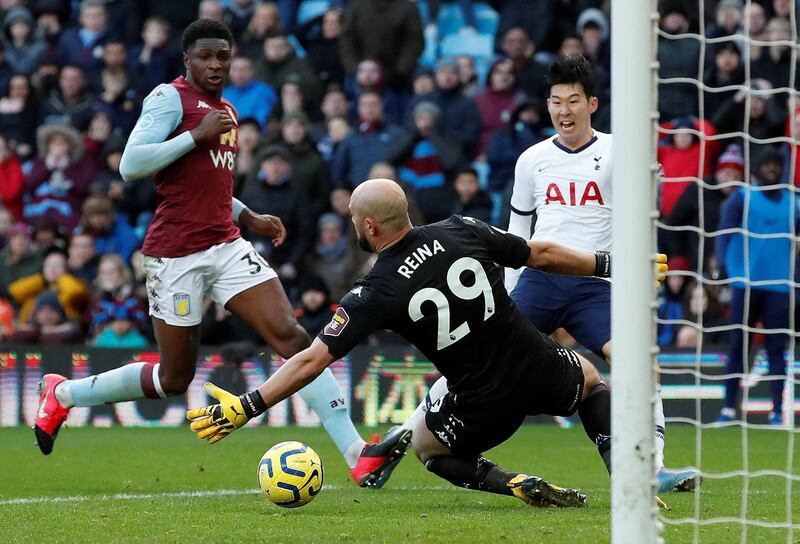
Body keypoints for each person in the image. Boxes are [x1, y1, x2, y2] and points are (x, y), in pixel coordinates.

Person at [32, 20, 409, 490]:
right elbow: (130, 165)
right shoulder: (169, 99)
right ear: (187, 60)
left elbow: (206, 185)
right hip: (175, 256)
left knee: (294, 337)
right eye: (206, 56)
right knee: (174, 377)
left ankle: (358, 455)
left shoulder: (225, 110)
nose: (215, 64)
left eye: (223, 56)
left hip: (226, 245)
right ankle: (62, 393)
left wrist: (249, 216)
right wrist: (196, 134)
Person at [187, 178, 640, 507]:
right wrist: (608, 263)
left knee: (426, 447)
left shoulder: (373, 292)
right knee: (592, 380)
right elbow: (540, 254)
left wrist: (248, 405)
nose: (353, 228)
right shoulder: (463, 228)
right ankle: (627, 486)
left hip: (483, 404)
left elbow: (312, 359)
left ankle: (513, 483)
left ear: (371, 226)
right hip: (536, 363)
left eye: (354, 222)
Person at [503, 56, 699, 495]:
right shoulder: (531, 160)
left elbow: (641, 214)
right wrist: (508, 294)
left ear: (592, 103)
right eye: (556, 101)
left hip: (597, 283)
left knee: (639, 359)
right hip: (541, 276)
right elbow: (518, 231)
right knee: (484, 353)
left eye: (573, 100)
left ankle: (653, 469)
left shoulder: (618, 151)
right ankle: (411, 430)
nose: (564, 110)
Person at [716, 147, 796, 425]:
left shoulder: (793, 202)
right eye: (767, 164)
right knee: (738, 345)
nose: (772, 168)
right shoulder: (742, 197)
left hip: (779, 288)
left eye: (776, 164)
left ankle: (777, 412)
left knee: (776, 348)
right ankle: (728, 410)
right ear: (757, 168)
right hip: (745, 283)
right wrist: (722, 267)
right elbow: (724, 232)